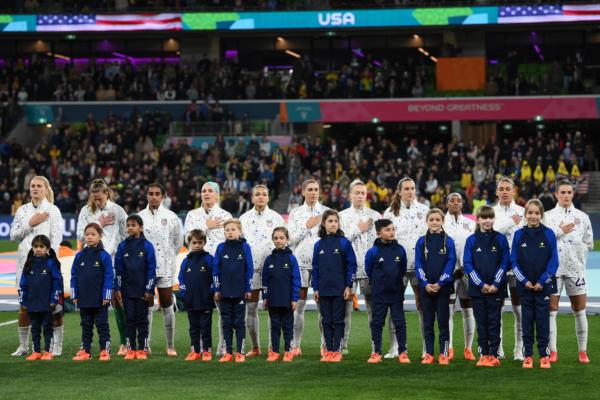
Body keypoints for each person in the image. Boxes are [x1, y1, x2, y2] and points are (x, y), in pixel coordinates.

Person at [10, 176, 63, 357]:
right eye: (32, 186)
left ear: (46, 189)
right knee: (24, 307)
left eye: (39, 186)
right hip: (25, 265)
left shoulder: (53, 210)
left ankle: (56, 345)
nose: (35, 188)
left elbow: (56, 239)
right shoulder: (23, 210)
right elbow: (13, 235)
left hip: (47, 266)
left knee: (53, 306)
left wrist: (50, 262)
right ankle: (24, 346)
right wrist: (30, 223)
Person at [76, 179, 128, 356]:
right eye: (94, 198)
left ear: (106, 193)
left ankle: (124, 342)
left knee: (117, 301)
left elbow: (125, 234)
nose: (97, 202)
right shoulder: (85, 211)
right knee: (93, 303)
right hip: (91, 262)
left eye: (99, 198)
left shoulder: (118, 210)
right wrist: (99, 223)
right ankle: (88, 344)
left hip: (112, 261)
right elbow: (79, 235)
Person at [544, 180, 593, 364]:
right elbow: (543, 241)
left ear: (573, 194)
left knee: (580, 310)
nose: (566, 195)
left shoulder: (583, 217)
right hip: (553, 270)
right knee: (551, 310)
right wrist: (559, 231)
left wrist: (579, 259)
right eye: (562, 192)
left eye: (569, 192)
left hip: (576, 270)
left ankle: (582, 351)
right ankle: (553, 351)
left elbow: (589, 242)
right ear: (556, 194)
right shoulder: (547, 217)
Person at [184, 181, 233, 355]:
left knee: (222, 308)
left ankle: (223, 345)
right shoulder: (192, 214)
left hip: (218, 267)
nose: (206, 193)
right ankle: (198, 347)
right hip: (196, 267)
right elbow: (186, 239)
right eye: (203, 190)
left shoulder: (226, 215)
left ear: (217, 195)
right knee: (197, 309)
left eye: (210, 191)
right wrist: (206, 227)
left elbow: (230, 241)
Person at [383, 177, 428, 359]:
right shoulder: (390, 212)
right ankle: (395, 347)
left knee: (423, 307)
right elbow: (385, 240)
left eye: (413, 188)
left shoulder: (425, 211)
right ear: (399, 191)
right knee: (394, 307)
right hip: (397, 266)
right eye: (407, 189)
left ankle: (427, 348)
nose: (410, 192)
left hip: (419, 266)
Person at [511, 199, 558, 369]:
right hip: (524, 286)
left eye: (536, 213)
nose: (533, 216)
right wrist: (524, 281)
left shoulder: (549, 234)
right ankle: (528, 356)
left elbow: (554, 262)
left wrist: (542, 281)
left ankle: (544, 356)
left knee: (542, 321)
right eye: (530, 213)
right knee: (527, 321)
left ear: (541, 215)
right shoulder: (518, 235)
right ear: (525, 215)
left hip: (543, 286)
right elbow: (513, 261)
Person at [239, 185, 286, 356]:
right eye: (257, 194)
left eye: (264, 194)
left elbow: (284, 242)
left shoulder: (277, 218)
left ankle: (272, 348)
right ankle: (255, 347)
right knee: (251, 310)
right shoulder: (243, 219)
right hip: (250, 271)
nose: (260, 197)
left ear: (268, 197)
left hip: (273, 271)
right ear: (252, 198)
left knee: (273, 309)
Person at [138, 183, 183, 356]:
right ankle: (145, 345)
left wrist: (168, 257)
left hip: (165, 266)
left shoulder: (171, 217)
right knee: (147, 305)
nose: (154, 196)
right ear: (146, 195)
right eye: (151, 193)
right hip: (144, 269)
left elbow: (177, 243)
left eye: (157, 194)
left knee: (166, 303)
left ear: (163, 196)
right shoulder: (140, 216)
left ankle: (170, 345)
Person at [463, 205, 510, 367]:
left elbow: (505, 262)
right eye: (484, 218)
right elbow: (467, 264)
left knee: (494, 321)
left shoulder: (500, 239)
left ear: (494, 219)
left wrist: (495, 283)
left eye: (490, 217)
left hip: (497, 289)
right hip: (478, 290)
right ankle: (483, 354)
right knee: (481, 322)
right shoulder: (471, 240)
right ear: (478, 220)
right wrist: (481, 284)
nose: (487, 220)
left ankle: (494, 354)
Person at [339, 179, 381, 355]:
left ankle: (375, 346)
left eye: (363, 193)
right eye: (357, 193)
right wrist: (358, 229)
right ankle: (341, 345)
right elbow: (339, 243)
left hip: (370, 270)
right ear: (349, 195)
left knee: (373, 309)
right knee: (345, 309)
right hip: (348, 269)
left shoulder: (376, 216)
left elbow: (380, 242)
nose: (360, 196)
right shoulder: (341, 216)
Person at [287, 179, 329, 356]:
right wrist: (307, 226)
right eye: (310, 189)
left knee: (323, 306)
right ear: (303, 192)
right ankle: (295, 345)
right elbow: (289, 240)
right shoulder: (295, 213)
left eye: (316, 189)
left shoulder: (327, 212)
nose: (313, 193)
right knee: (300, 305)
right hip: (301, 264)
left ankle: (325, 345)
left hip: (322, 264)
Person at [312, 210, 357, 363]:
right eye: (330, 221)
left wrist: (348, 286)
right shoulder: (318, 245)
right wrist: (315, 288)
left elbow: (352, 265)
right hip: (323, 289)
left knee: (338, 320)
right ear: (324, 224)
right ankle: (328, 351)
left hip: (339, 289)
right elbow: (315, 268)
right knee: (326, 320)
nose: (333, 224)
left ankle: (337, 351)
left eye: (335, 221)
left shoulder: (344, 242)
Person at [365, 219, 409, 364]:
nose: (391, 232)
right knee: (377, 323)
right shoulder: (373, 252)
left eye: (392, 229)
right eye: (387, 230)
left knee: (399, 322)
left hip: (396, 292)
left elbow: (402, 269)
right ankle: (376, 352)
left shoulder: (400, 249)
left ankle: (403, 352)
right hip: (379, 293)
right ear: (379, 233)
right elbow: (369, 271)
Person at [416, 209, 456, 365]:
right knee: (428, 322)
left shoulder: (449, 241)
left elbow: (450, 264)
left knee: (443, 322)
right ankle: (429, 353)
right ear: (427, 221)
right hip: (426, 289)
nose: (434, 222)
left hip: (442, 289)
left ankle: (444, 354)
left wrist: (440, 283)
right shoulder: (421, 241)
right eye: (431, 219)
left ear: (442, 221)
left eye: (437, 219)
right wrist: (425, 284)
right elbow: (418, 264)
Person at [114, 215, 157, 360]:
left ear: (141, 227)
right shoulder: (122, 246)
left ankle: (142, 349)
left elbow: (151, 269)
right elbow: (118, 270)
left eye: (133, 225)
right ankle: (131, 349)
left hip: (142, 291)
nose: (130, 228)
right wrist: (118, 288)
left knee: (142, 320)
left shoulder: (147, 246)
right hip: (126, 290)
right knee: (129, 319)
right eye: (128, 225)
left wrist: (149, 290)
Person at [493, 176, 525, 360]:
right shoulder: (491, 212)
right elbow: (490, 232)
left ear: (514, 191)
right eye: (501, 189)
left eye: (508, 188)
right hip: (496, 267)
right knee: (497, 309)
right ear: (497, 192)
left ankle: (518, 350)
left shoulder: (523, 212)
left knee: (518, 309)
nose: (504, 191)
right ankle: (498, 348)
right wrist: (510, 223)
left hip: (518, 267)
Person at [70, 223, 114, 361]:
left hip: (100, 299)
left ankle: (104, 351)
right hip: (84, 298)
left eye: (93, 234)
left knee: (102, 325)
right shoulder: (79, 256)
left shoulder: (104, 256)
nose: (89, 237)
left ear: (100, 236)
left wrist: (106, 296)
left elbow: (109, 276)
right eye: (87, 234)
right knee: (86, 325)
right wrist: (74, 294)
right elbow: (74, 276)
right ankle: (85, 351)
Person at [212, 219, 254, 363]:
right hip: (224, 292)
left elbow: (249, 269)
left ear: (239, 231)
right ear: (224, 232)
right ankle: (228, 352)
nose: (230, 232)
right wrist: (217, 288)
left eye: (233, 229)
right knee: (226, 322)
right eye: (227, 230)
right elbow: (216, 270)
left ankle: (240, 352)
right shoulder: (220, 248)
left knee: (239, 322)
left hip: (240, 291)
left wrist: (248, 288)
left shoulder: (245, 247)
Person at [443, 193, 476, 361]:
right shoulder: (440, 222)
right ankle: (448, 348)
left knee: (468, 309)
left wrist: (466, 267)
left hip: (466, 271)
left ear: (463, 204)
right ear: (446, 203)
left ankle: (468, 348)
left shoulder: (470, 223)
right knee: (448, 311)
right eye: (451, 201)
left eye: (458, 201)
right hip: (448, 273)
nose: (455, 203)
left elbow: (474, 246)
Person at [18, 235, 62, 361]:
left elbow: (57, 282)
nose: (38, 249)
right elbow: (23, 284)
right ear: (32, 248)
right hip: (32, 303)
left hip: (47, 304)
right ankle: (36, 351)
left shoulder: (51, 263)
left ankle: (48, 351)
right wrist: (23, 301)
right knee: (35, 328)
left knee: (47, 328)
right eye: (35, 246)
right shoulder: (29, 263)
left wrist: (54, 300)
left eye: (41, 246)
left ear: (47, 248)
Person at [262, 227, 301, 362]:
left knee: (287, 327)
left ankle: (288, 351)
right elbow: (265, 280)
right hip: (273, 300)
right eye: (276, 238)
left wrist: (294, 299)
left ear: (287, 240)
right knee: (274, 326)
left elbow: (296, 280)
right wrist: (265, 297)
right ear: (273, 240)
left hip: (287, 300)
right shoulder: (269, 260)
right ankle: (274, 352)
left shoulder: (291, 259)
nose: (279, 241)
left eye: (281, 238)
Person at [178, 229, 215, 362]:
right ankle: (195, 351)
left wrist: (210, 293)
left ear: (204, 243)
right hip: (191, 301)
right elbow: (181, 279)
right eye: (194, 242)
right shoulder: (186, 261)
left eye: (200, 242)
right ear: (189, 243)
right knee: (193, 328)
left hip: (205, 300)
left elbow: (215, 278)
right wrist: (184, 295)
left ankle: (207, 351)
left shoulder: (209, 259)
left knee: (205, 328)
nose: (197, 245)